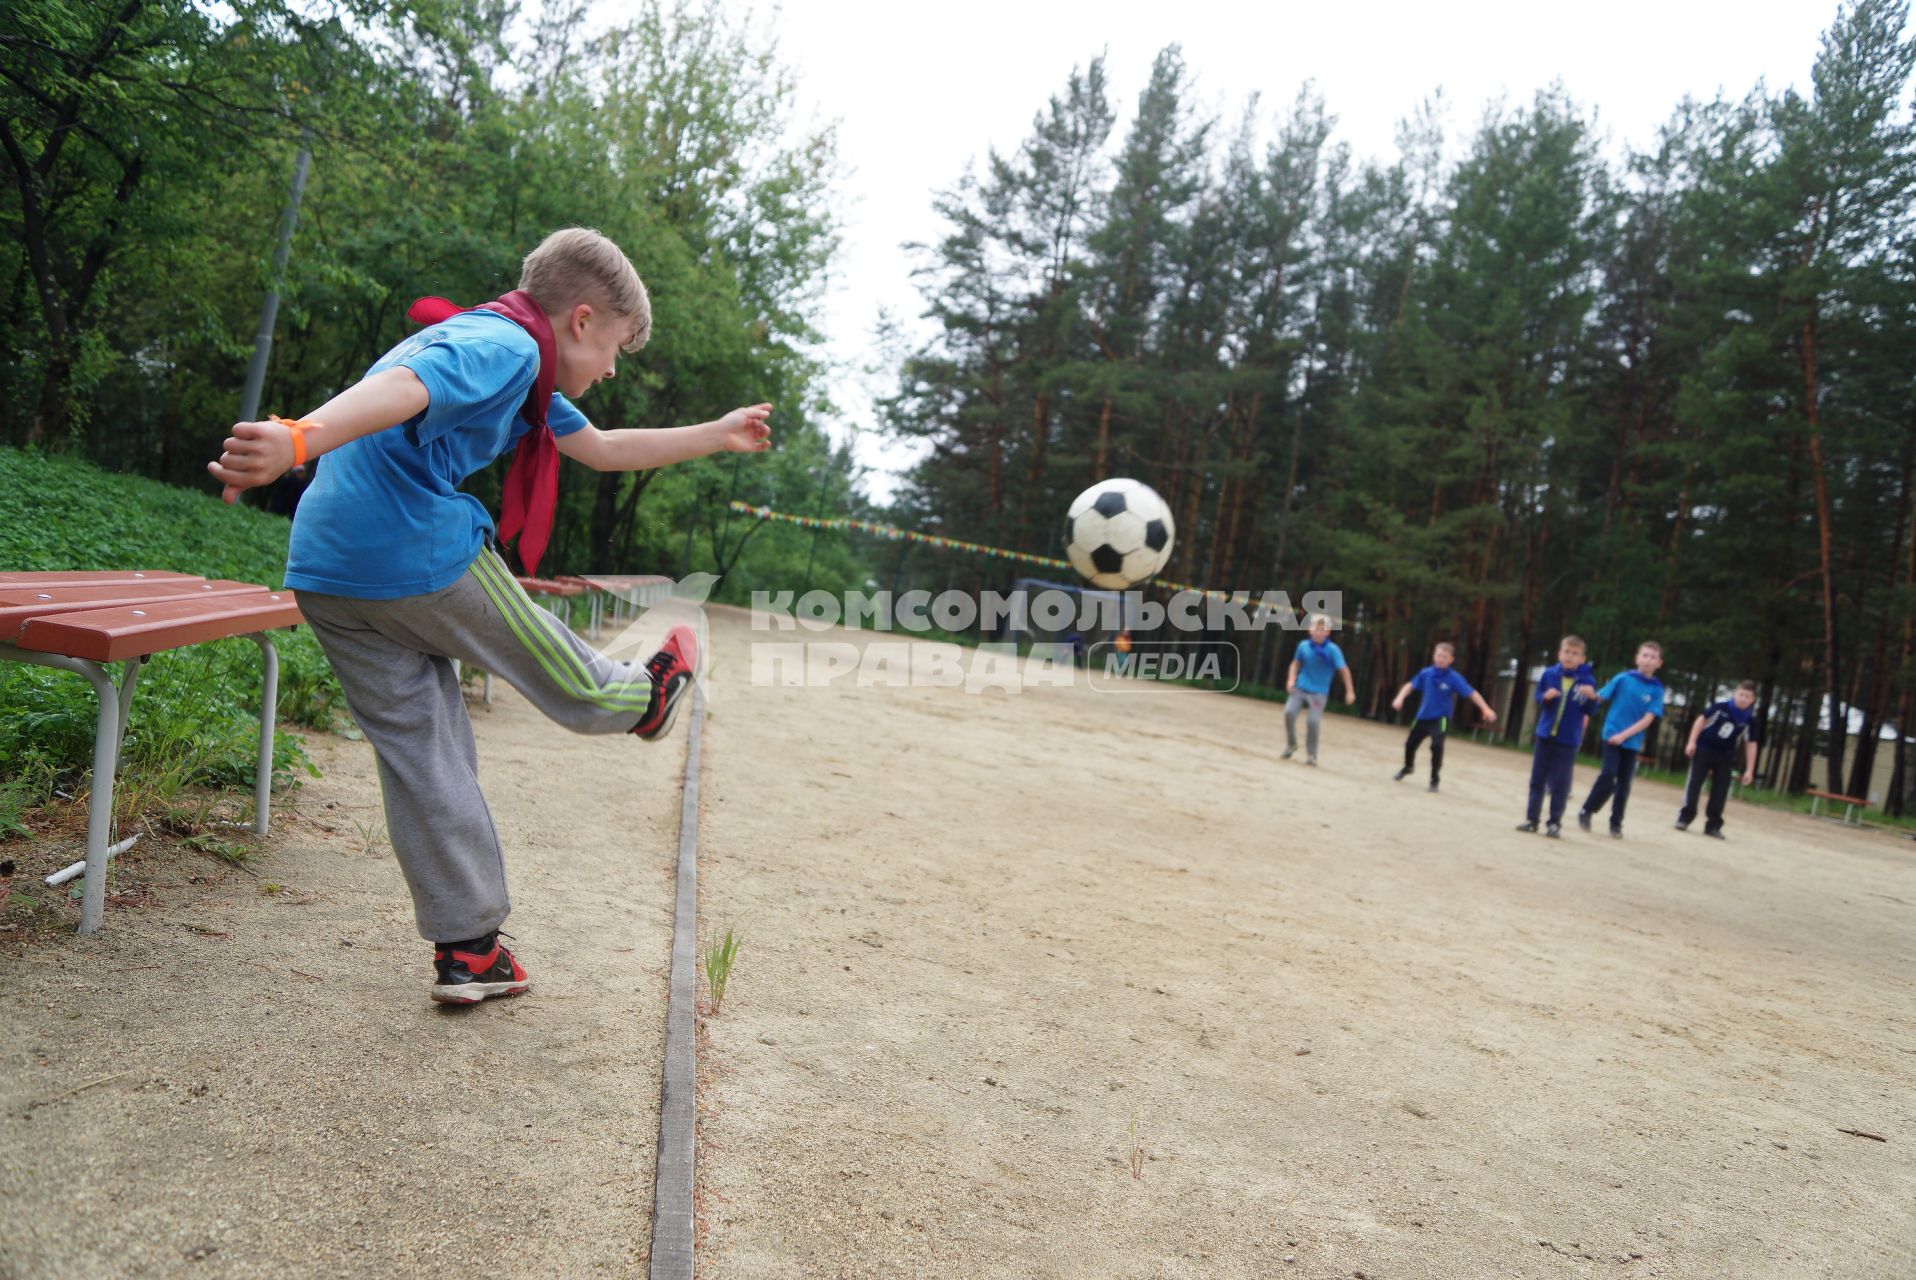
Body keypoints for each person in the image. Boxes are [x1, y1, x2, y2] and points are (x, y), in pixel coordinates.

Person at [207, 226, 773, 1005]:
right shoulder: (502, 346)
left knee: (424, 752)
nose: (610, 368)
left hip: (328, 569)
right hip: (411, 550)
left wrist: (716, 434)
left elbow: (604, 448)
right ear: (580, 319)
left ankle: (468, 949)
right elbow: (409, 389)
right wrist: (301, 434)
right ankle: (642, 698)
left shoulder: (516, 365)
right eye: (613, 348)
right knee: (536, 651)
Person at [1576, 641, 1667, 838]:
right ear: (1637, 658)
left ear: (1659, 663)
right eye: (1644, 655)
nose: (1648, 660)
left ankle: (1616, 823)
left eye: (1652, 657)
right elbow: (1601, 696)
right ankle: (1587, 810)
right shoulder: (1623, 678)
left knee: (1624, 784)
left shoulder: (1657, 689)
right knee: (1609, 774)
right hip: (1611, 733)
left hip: (1631, 741)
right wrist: (1591, 694)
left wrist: (1624, 736)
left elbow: (1648, 719)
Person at [1517, 636, 1598, 838]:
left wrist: (1593, 697)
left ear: (1582, 658)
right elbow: (1538, 698)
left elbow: (1592, 710)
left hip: (1568, 740)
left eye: (1575, 653)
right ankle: (1531, 819)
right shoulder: (1549, 674)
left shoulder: (1587, 681)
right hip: (1545, 735)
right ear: (1559, 653)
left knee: (1560, 784)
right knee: (1537, 780)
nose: (1570, 656)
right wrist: (1545, 697)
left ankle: (1554, 823)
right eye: (1566, 652)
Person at [1390, 641, 1498, 791]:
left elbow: (1471, 693)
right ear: (1434, 656)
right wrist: (1400, 698)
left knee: (1436, 746)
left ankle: (1434, 780)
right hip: (1422, 717)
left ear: (1451, 660)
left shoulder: (1454, 678)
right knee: (1410, 744)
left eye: (1445, 656)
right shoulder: (1426, 673)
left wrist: (1485, 708)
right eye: (1439, 655)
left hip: (1440, 719)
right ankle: (1408, 767)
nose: (1441, 659)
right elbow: (1410, 685)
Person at [1677, 680, 1761, 839]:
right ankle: (1684, 817)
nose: (1743, 698)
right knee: (1694, 784)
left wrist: (1749, 769)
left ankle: (1713, 825)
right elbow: (1701, 721)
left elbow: (1751, 744)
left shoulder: (1750, 720)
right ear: (1735, 693)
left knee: (1720, 791)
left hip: (1726, 755)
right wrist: (1691, 742)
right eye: (1741, 694)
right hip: (1704, 749)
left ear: (1752, 700)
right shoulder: (1720, 708)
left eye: (1747, 696)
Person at [1284, 614, 1356, 766]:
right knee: (1289, 713)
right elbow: (1295, 664)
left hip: (1319, 692)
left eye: (1322, 630)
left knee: (1313, 722)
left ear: (1328, 632)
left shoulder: (1333, 650)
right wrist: (1291, 679)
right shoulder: (1303, 646)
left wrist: (1350, 691)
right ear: (1310, 630)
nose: (1318, 632)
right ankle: (1292, 744)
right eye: (1316, 629)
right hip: (1300, 688)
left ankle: (1312, 754)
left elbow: (1344, 671)